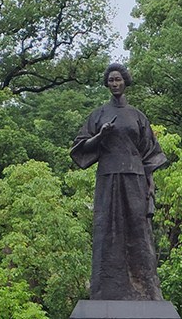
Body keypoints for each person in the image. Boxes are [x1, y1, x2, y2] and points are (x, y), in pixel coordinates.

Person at [70, 62, 169, 301]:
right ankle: (105, 291)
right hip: (108, 177)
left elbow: (151, 153)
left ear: (125, 82)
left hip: (135, 178)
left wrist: (150, 186)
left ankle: (145, 290)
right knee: (107, 230)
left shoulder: (137, 116)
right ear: (107, 84)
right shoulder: (98, 114)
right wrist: (100, 136)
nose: (115, 83)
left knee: (138, 231)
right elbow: (79, 148)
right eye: (111, 80)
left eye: (118, 79)